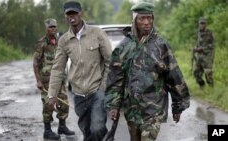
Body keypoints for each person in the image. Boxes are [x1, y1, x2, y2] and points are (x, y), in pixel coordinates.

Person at [105, 2, 190, 141]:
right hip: (132, 109)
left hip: (154, 110)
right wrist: (113, 105)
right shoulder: (123, 47)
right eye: (142, 18)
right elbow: (115, 80)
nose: (146, 22)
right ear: (134, 20)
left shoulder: (161, 45)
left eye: (149, 18)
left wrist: (178, 106)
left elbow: (174, 77)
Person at [47, 1, 112, 140]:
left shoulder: (97, 33)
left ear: (81, 13)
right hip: (78, 94)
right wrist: (52, 95)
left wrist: (103, 86)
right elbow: (58, 68)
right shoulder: (64, 40)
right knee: (87, 131)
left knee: (98, 127)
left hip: (97, 91)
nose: (72, 17)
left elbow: (109, 61)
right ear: (65, 16)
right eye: (69, 14)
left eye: (74, 13)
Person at [33, 18, 75, 140]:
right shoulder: (41, 43)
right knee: (48, 106)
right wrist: (38, 81)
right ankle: (47, 131)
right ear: (46, 28)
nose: (53, 29)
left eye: (55, 27)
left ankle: (62, 126)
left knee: (64, 103)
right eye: (50, 27)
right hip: (46, 81)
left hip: (59, 79)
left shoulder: (59, 42)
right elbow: (35, 63)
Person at [193, 17, 214, 87]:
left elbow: (212, 46)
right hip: (199, 57)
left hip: (207, 56)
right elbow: (198, 43)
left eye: (203, 23)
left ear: (206, 24)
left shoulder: (209, 33)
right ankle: (202, 86)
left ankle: (211, 88)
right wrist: (195, 48)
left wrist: (202, 49)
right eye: (200, 23)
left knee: (208, 73)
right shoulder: (199, 32)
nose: (201, 25)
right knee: (196, 72)